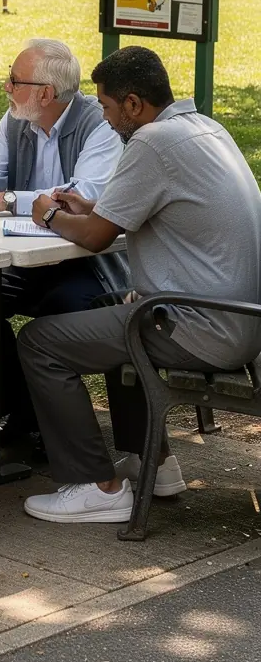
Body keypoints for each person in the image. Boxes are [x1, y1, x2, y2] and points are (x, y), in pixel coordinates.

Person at [21, 46, 261, 524]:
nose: (105, 118)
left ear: (133, 104)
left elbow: (95, 238)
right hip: (241, 318)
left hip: (203, 326)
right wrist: (90, 208)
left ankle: (98, 487)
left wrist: (46, 214)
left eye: (108, 107)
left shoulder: (151, 142)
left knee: (39, 341)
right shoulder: (204, 128)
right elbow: (143, 209)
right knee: (112, 307)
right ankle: (153, 460)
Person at [0, 39, 126, 454]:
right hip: (29, 258)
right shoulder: (18, 117)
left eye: (14, 80)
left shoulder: (99, 124)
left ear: (46, 93)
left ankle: (36, 420)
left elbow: (79, 195)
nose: (6, 86)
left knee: (58, 311)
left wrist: (7, 200)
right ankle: (26, 410)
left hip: (87, 262)